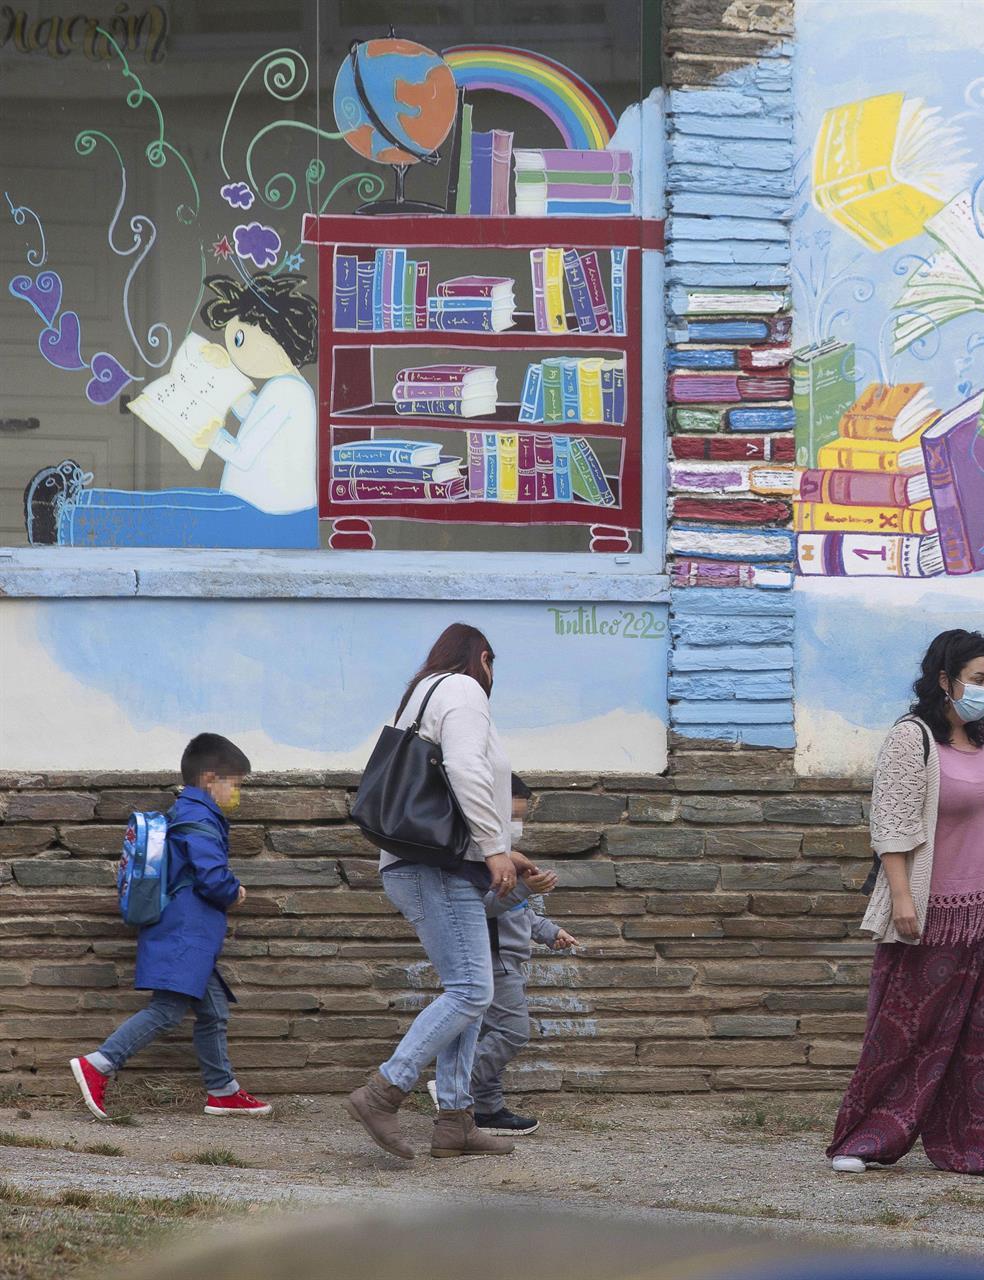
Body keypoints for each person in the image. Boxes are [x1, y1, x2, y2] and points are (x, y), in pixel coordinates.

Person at [827, 629, 984, 1179]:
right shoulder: (911, 738)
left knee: (983, 1034)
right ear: (945, 680)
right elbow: (891, 826)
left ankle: (981, 1147)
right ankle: (865, 1138)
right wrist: (901, 899)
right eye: (978, 680)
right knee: (907, 1028)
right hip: (934, 909)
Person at [346, 623, 547, 1161]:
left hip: (433, 863)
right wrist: (493, 846)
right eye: (493, 665)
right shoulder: (463, 689)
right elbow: (463, 768)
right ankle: (384, 1091)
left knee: (470, 996)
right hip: (432, 868)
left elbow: (449, 784)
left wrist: (501, 847)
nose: (493, 676)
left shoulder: (422, 693)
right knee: (470, 991)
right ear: (483, 657)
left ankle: (456, 1122)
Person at [26, 275, 320, 549]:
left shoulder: (289, 391)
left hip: (267, 519)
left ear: (273, 336)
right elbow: (253, 413)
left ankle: (68, 523)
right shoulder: (288, 387)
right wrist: (223, 373)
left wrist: (214, 437)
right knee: (174, 504)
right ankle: (79, 504)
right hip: (259, 511)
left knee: (172, 517)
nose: (234, 351)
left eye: (239, 341)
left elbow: (243, 455)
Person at [69, 734, 271, 1121]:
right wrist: (235, 892)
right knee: (167, 1009)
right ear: (211, 778)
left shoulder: (189, 812)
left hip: (187, 930)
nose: (237, 793)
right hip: (186, 929)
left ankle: (222, 1091)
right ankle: (100, 1063)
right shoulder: (198, 816)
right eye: (236, 784)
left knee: (212, 1012)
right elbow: (211, 877)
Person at [440, 775, 581, 1137]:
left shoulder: (507, 858)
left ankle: (486, 1110)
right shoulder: (479, 860)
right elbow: (481, 909)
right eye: (510, 818)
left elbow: (522, 912)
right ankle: (456, 1086)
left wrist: (551, 933)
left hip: (508, 962)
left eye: (520, 818)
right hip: (493, 962)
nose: (516, 827)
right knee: (512, 1033)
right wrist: (521, 888)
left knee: (492, 1036)